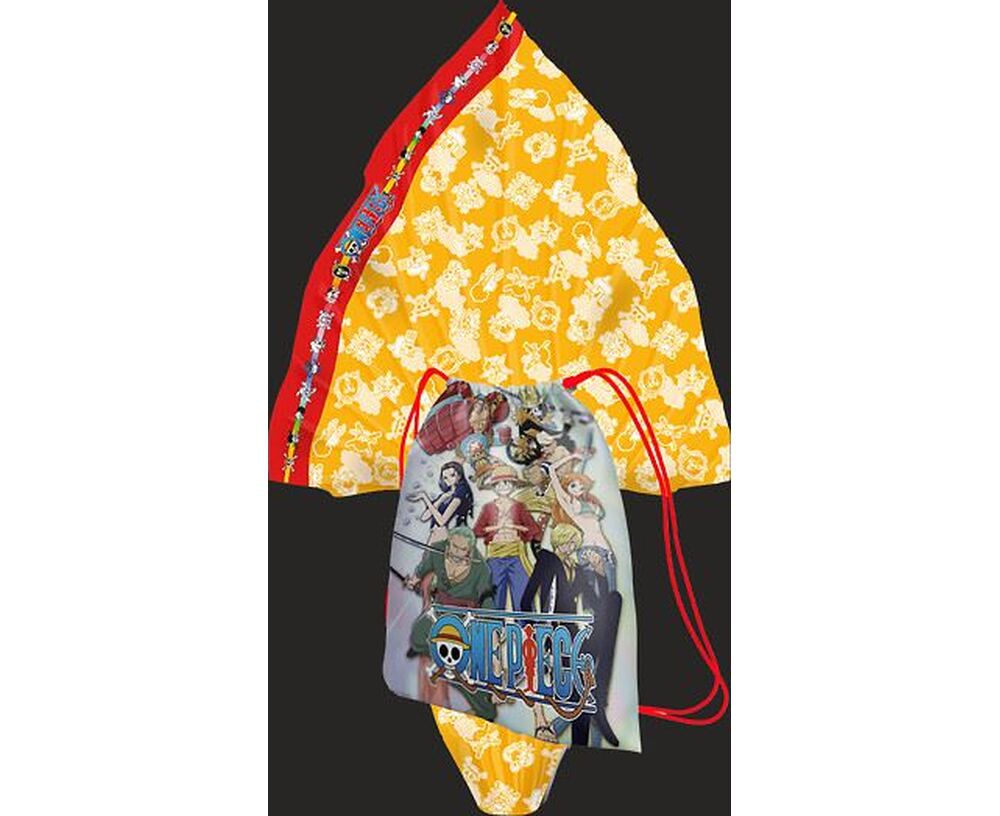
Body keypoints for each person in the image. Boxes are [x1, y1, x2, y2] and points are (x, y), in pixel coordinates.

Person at [405, 526, 496, 720]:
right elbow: (423, 568)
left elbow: (487, 598)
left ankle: (485, 709)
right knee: (417, 636)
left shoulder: (480, 568)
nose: (456, 551)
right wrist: (414, 579)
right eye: (453, 546)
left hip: (464, 618)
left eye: (462, 549)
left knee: (461, 667)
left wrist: (490, 626)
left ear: (469, 550)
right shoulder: (438, 551)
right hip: (438, 611)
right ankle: (441, 657)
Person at [472, 464, 542, 610]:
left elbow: (534, 529)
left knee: (522, 593)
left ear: (514, 485)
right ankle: (493, 625)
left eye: (507, 483)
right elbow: (477, 531)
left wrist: (515, 527)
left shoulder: (519, 507)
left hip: (516, 555)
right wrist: (496, 528)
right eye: (499, 484)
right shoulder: (488, 508)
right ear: (494, 487)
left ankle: (525, 624)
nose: (503, 486)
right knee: (494, 596)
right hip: (495, 556)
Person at [406, 461, 474, 546]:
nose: (448, 480)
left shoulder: (459, 495)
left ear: (459, 476)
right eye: (445, 477)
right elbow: (424, 517)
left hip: (443, 535)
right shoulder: (445, 495)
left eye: (452, 475)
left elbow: (442, 521)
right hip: (434, 534)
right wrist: (440, 500)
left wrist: (425, 498)